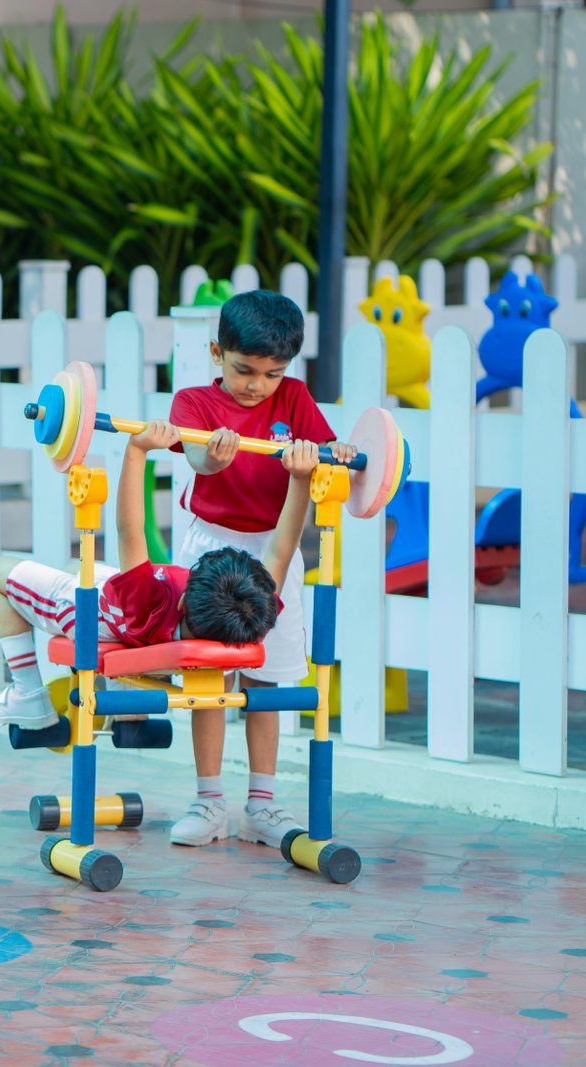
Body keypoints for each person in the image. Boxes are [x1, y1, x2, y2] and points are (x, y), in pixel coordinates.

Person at [0, 419, 321, 848]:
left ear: (182, 599)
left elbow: (128, 528)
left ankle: (28, 695)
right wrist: (301, 480)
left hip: (99, 614)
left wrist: (137, 451)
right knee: (69, 569)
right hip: (144, 632)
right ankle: (130, 714)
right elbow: (283, 546)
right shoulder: (253, 618)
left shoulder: (146, 596)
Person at [168, 289, 355, 847]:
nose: (256, 385)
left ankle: (262, 807)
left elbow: (326, 450)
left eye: (271, 374)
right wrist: (214, 456)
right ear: (216, 353)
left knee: (267, 675)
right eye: (244, 369)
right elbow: (195, 456)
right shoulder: (194, 402)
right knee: (209, 674)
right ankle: (208, 801)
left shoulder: (294, 399)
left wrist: (334, 452)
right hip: (211, 547)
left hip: (277, 545)